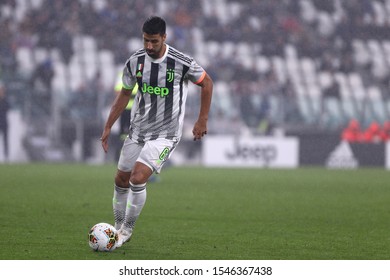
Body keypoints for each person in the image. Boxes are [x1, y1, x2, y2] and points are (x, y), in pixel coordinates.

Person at [100, 16, 213, 248]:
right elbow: (124, 94)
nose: (149, 46)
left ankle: (127, 231)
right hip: (137, 130)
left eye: (153, 41)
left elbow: (207, 83)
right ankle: (118, 226)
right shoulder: (135, 61)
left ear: (164, 38)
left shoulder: (181, 62)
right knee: (120, 180)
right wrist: (109, 124)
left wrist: (202, 119)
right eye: (145, 41)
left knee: (138, 177)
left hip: (166, 134)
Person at [0, 81, 9, 161]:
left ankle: (6, 155)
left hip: (4, 122)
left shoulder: (5, 100)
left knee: (5, 140)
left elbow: (7, 108)